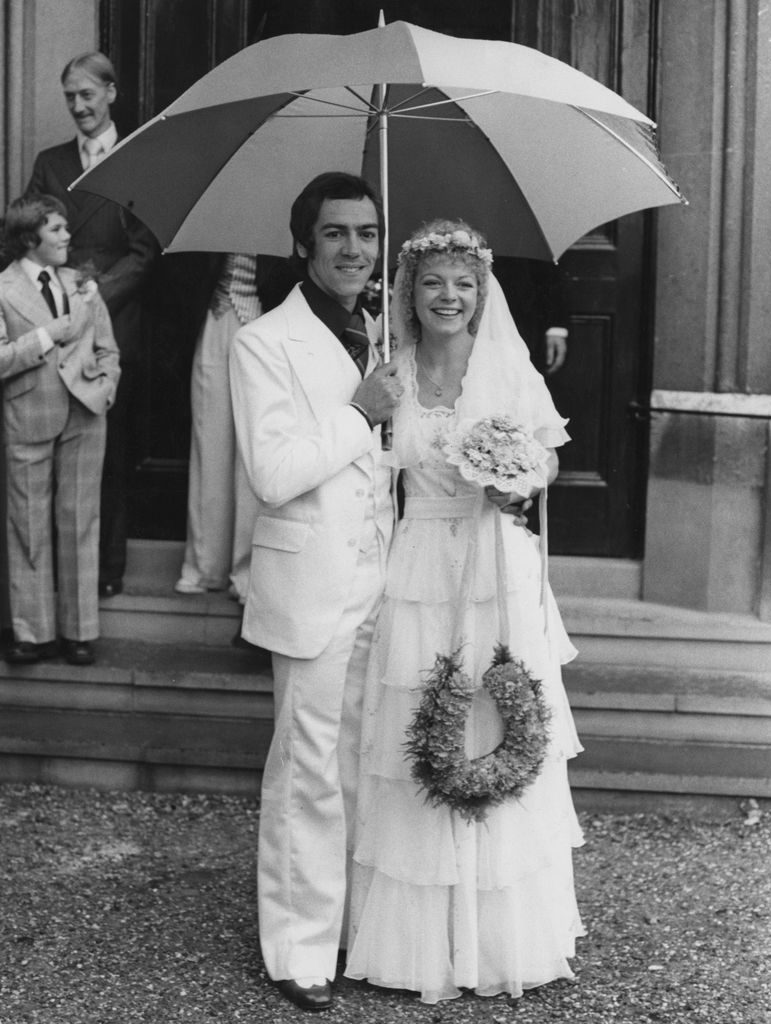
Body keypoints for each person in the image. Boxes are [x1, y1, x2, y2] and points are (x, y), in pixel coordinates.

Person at [345, 220, 584, 1003]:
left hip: (495, 562)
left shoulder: (507, 369)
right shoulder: (393, 373)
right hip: (417, 560)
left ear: (483, 294)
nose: (449, 296)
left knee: (498, 720)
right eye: (433, 282)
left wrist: (514, 480)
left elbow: (544, 456)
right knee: (418, 724)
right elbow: (365, 470)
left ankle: (498, 939)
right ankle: (418, 941)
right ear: (408, 293)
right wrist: (363, 407)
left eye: (463, 283)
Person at [228, 172, 402, 1012]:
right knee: (306, 772)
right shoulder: (262, 341)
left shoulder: (383, 331)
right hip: (311, 584)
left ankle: (347, 930)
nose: (355, 250)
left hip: (385, 579)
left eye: (367, 234)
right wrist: (362, 410)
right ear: (304, 243)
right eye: (336, 234)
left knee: (364, 762)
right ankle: (297, 949)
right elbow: (275, 471)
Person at [25, 51, 158, 598]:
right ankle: (56, 573)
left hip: (110, 329)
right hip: (55, 328)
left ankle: (108, 567)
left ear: (111, 93)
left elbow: (145, 252)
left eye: (87, 95)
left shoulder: (138, 158)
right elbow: (30, 236)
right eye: (70, 98)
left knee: (109, 452)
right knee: (53, 450)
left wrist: (93, 294)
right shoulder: (51, 163)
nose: (78, 106)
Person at [0, 194, 120, 666]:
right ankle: (33, 633)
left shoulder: (81, 284)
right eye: (56, 229)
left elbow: (109, 349)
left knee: (80, 521)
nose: (67, 236)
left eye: (66, 227)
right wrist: (49, 335)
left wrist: (106, 388)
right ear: (30, 238)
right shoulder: (4, 288)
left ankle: (79, 631)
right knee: (28, 526)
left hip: (86, 412)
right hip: (29, 415)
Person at [175, 254, 263, 601]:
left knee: (253, 449)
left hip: (264, 321)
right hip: (215, 317)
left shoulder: (283, 206)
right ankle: (203, 565)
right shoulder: (213, 207)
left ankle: (246, 572)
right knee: (209, 441)